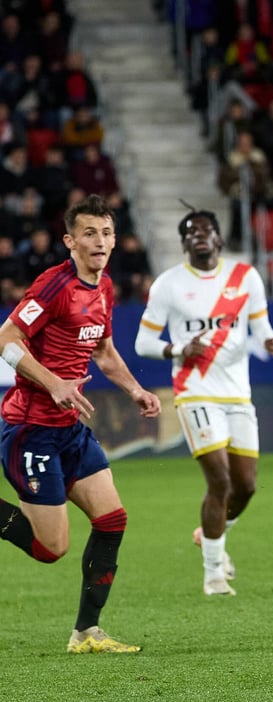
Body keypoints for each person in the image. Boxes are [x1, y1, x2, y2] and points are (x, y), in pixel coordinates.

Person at [0, 194, 162, 652]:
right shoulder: (54, 285)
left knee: (112, 520)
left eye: (107, 232)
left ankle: (86, 633)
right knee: (51, 549)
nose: (101, 241)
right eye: (90, 233)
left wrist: (135, 390)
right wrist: (54, 383)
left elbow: (105, 352)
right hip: (30, 430)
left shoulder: (104, 287)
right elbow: (6, 339)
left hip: (70, 430)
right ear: (70, 240)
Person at [134, 207, 273, 596]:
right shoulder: (168, 285)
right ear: (184, 242)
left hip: (238, 393)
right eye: (190, 231)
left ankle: (209, 535)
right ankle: (213, 575)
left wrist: (270, 341)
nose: (199, 235)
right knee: (219, 479)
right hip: (194, 391)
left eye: (206, 230)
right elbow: (143, 343)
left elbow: (262, 327)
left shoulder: (245, 277)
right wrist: (178, 348)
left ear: (219, 238)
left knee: (247, 486)